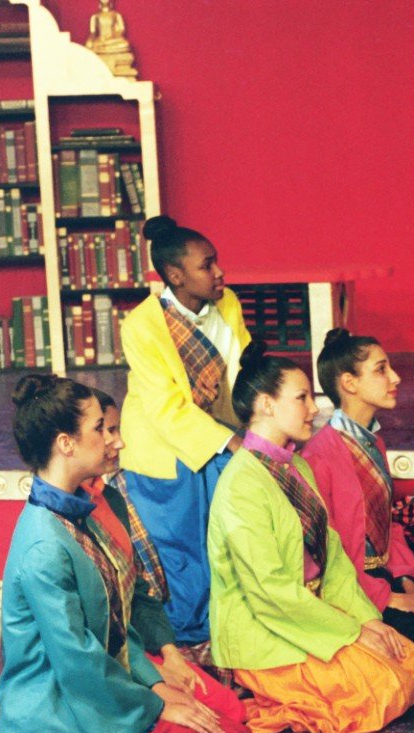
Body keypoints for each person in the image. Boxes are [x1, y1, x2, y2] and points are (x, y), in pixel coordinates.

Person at [0, 375, 267, 733]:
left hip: (101, 694)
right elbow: (79, 663)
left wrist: (158, 686)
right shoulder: (44, 544)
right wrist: (157, 707)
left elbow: (117, 632)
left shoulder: (78, 515)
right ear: (66, 444)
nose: (113, 440)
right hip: (58, 715)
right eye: (100, 430)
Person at [207, 344, 414, 733]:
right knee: (383, 688)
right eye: (302, 398)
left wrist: (366, 620)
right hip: (268, 632)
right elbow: (269, 590)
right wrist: (351, 633)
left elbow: (335, 561)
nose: (314, 408)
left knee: (412, 661)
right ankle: (258, 700)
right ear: (266, 405)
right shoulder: (241, 483)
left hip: (310, 617)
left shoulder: (297, 467)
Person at [303, 328, 414, 680]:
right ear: (349, 383)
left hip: (384, 578)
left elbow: (389, 523)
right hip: (351, 594)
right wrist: (391, 599)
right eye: (381, 370)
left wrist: (409, 583)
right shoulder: (319, 455)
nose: (395, 377)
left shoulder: (373, 443)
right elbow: (329, 554)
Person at [118, 215, 251, 648]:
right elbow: (163, 404)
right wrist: (229, 441)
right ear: (175, 275)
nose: (220, 273)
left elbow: (239, 368)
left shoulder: (226, 303)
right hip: (162, 448)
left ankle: (225, 631)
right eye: (207, 265)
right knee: (180, 553)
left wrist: (255, 425)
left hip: (214, 434)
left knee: (221, 542)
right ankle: (186, 646)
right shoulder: (142, 325)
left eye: (217, 263)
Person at [83, 388, 235, 703]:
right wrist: (155, 680)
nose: (120, 442)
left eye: (119, 430)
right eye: (106, 431)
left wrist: (170, 654)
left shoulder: (112, 496)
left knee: (227, 710)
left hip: (144, 642)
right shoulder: (63, 518)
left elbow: (141, 594)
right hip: (97, 661)